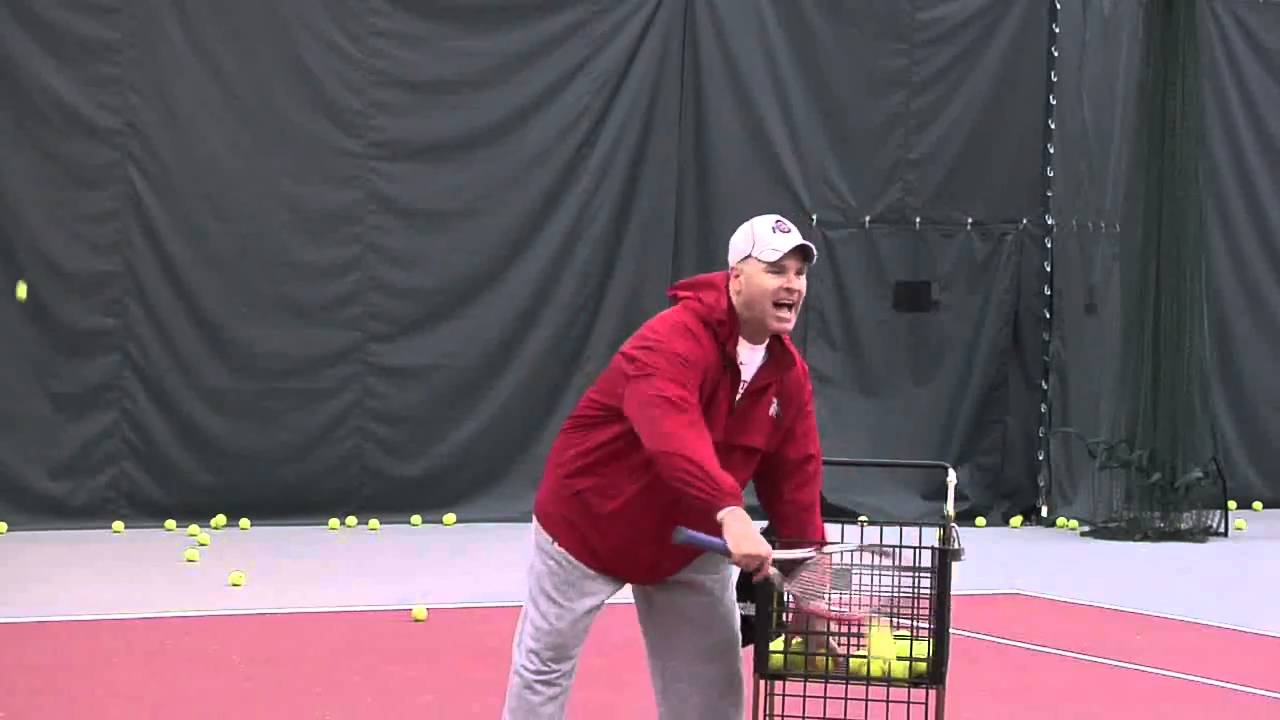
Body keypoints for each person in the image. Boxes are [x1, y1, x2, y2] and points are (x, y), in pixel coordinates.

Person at [501, 213, 829, 719]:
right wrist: (731, 511)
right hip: (588, 524)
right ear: (735, 278)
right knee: (544, 664)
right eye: (775, 270)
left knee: (712, 694)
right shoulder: (671, 339)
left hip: (689, 544)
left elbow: (796, 479)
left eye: (799, 273)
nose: (792, 284)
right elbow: (672, 435)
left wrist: (809, 590)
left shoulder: (789, 375)